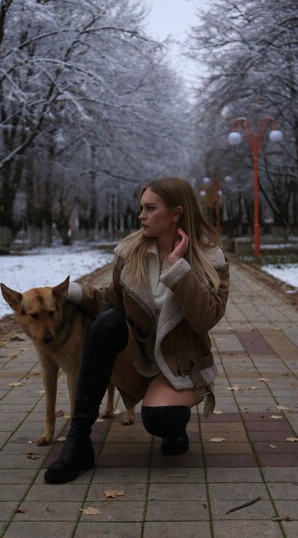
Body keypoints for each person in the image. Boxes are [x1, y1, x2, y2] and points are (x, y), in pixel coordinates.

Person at [44, 176, 229, 484]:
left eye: (150, 208)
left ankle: (175, 424)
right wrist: (74, 293)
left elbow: (205, 318)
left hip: (180, 365)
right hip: (138, 359)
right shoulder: (130, 255)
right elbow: (112, 301)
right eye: (141, 207)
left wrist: (177, 268)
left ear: (176, 214)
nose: (141, 216)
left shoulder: (212, 260)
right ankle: (78, 442)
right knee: (106, 323)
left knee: (159, 419)